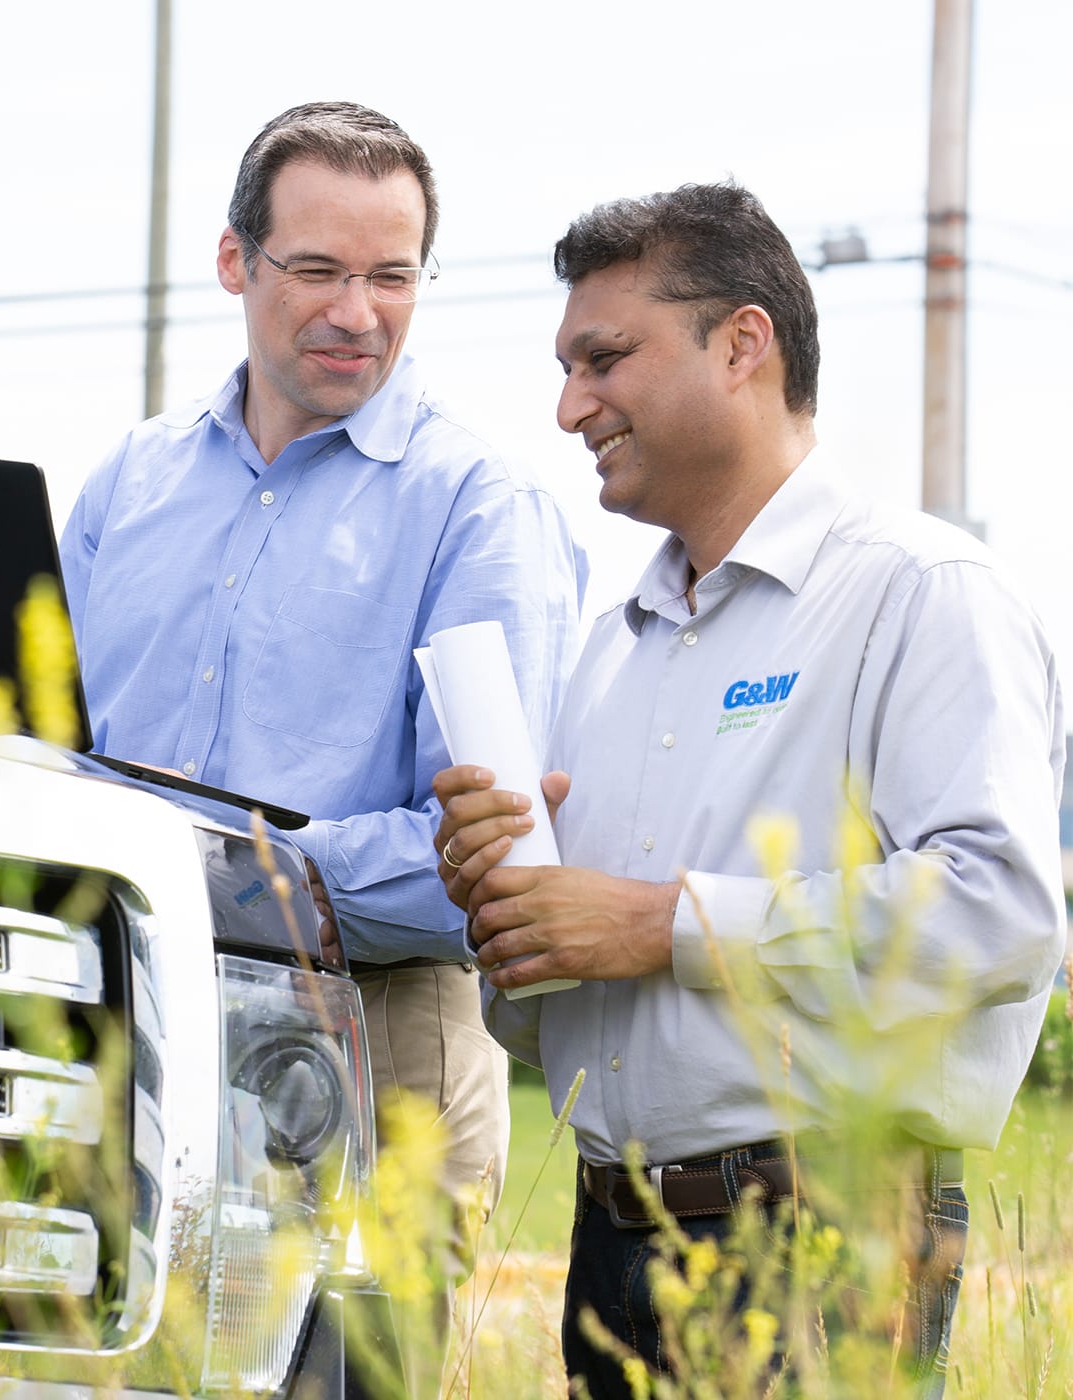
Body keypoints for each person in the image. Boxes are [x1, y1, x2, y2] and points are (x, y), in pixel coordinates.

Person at [432, 182, 1066, 1398]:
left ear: (740, 344)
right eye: (567, 369)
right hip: (613, 1245)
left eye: (602, 358)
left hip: (820, 1234)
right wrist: (512, 921)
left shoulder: (919, 593)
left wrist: (659, 920)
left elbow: (1000, 912)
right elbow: (577, 1013)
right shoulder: (611, 649)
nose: (570, 407)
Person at [59, 101, 585, 1393]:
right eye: (318, 270)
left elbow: (492, 860)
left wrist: (221, 869)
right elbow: (58, 745)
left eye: (391, 276)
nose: (358, 310)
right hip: (110, 1022)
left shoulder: (476, 507)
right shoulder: (132, 483)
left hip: (372, 1046)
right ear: (238, 263)